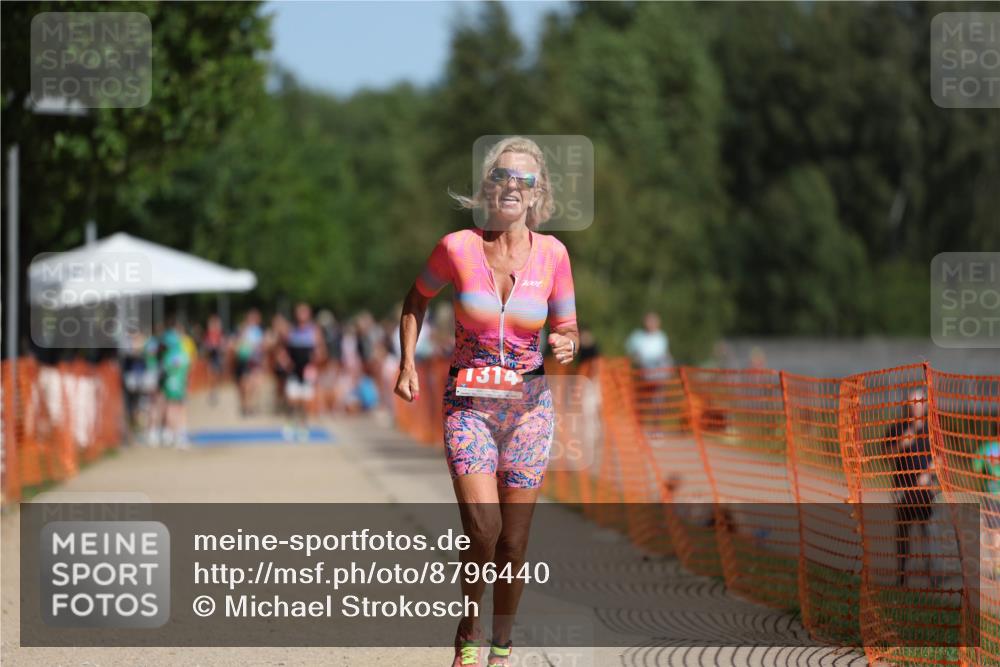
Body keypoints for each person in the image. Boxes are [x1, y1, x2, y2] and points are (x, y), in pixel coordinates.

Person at [394, 136, 578, 667]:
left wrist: (567, 342)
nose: (511, 187)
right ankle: (469, 624)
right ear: (488, 188)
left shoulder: (554, 256)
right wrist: (406, 362)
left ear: (536, 191)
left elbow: (567, 326)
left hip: (529, 409)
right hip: (468, 406)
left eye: (522, 179)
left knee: (514, 545)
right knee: (484, 528)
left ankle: (502, 644)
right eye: (502, 177)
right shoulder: (456, 248)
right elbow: (415, 299)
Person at [885, 389, 935, 586]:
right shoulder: (898, 428)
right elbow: (885, 455)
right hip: (902, 490)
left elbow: (939, 458)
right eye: (913, 402)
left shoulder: (931, 430)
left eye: (920, 402)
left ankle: (931, 575)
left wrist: (928, 474)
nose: (916, 406)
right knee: (903, 533)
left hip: (924, 493)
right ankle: (902, 575)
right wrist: (900, 445)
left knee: (928, 532)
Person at [283, 303, 326, 440]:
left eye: (304, 312)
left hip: (308, 369)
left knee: (305, 400)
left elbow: (321, 351)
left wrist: (317, 360)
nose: (301, 315)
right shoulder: (291, 330)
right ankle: (291, 422)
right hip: (294, 369)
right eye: (299, 312)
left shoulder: (314, 331)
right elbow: (283, 350)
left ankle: (303, 425)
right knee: (292, 399)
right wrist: (285, 362)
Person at [233, 309, 264, 416]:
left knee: (254, 385)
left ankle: (249, 406)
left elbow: (261, 346)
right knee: (244, 386)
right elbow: (237, 344)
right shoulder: (242, 329)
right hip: (244, 361)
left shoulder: (258, 331)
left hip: (255, 361)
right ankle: (246, 406)